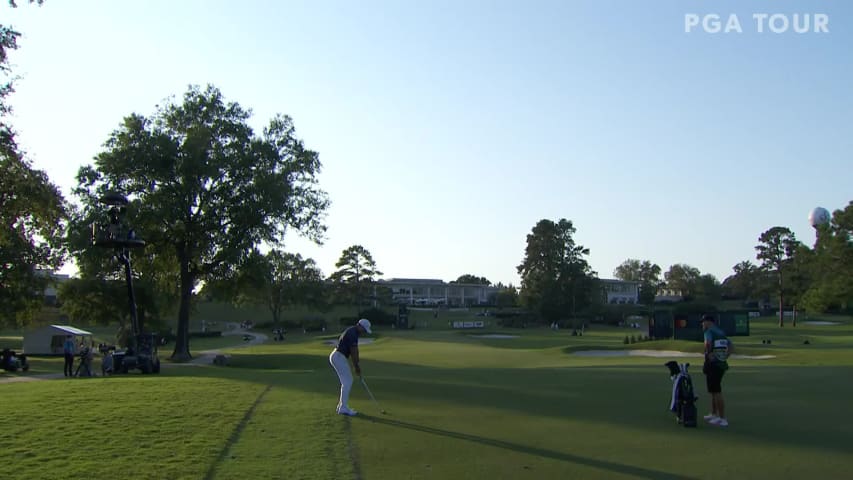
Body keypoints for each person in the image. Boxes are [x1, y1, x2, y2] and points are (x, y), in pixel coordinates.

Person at [329, 318, 372, 416]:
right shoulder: (353, 334)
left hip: (338, 356)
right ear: (359, 326)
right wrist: (356, 366)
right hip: (338, 357)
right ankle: (343, 408)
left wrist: (356, 366)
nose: (364, 332)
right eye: (364, 330)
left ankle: (341, 406)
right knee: (347, 381)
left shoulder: (352, 331)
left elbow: (353, 351)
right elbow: (354, 352)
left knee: (346, 382)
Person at [701, 314, 731, 427]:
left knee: (717, 391)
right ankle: (714, 414)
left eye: (704, 322)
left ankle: (722, 418)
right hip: (721, 364)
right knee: (713, 390)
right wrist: (725, 356)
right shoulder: (721, 332)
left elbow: (707, 344)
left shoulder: (709, 332)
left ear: (709, 322)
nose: (702, 324)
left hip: (713, 364)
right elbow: (730, 345)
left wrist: (708, 353)